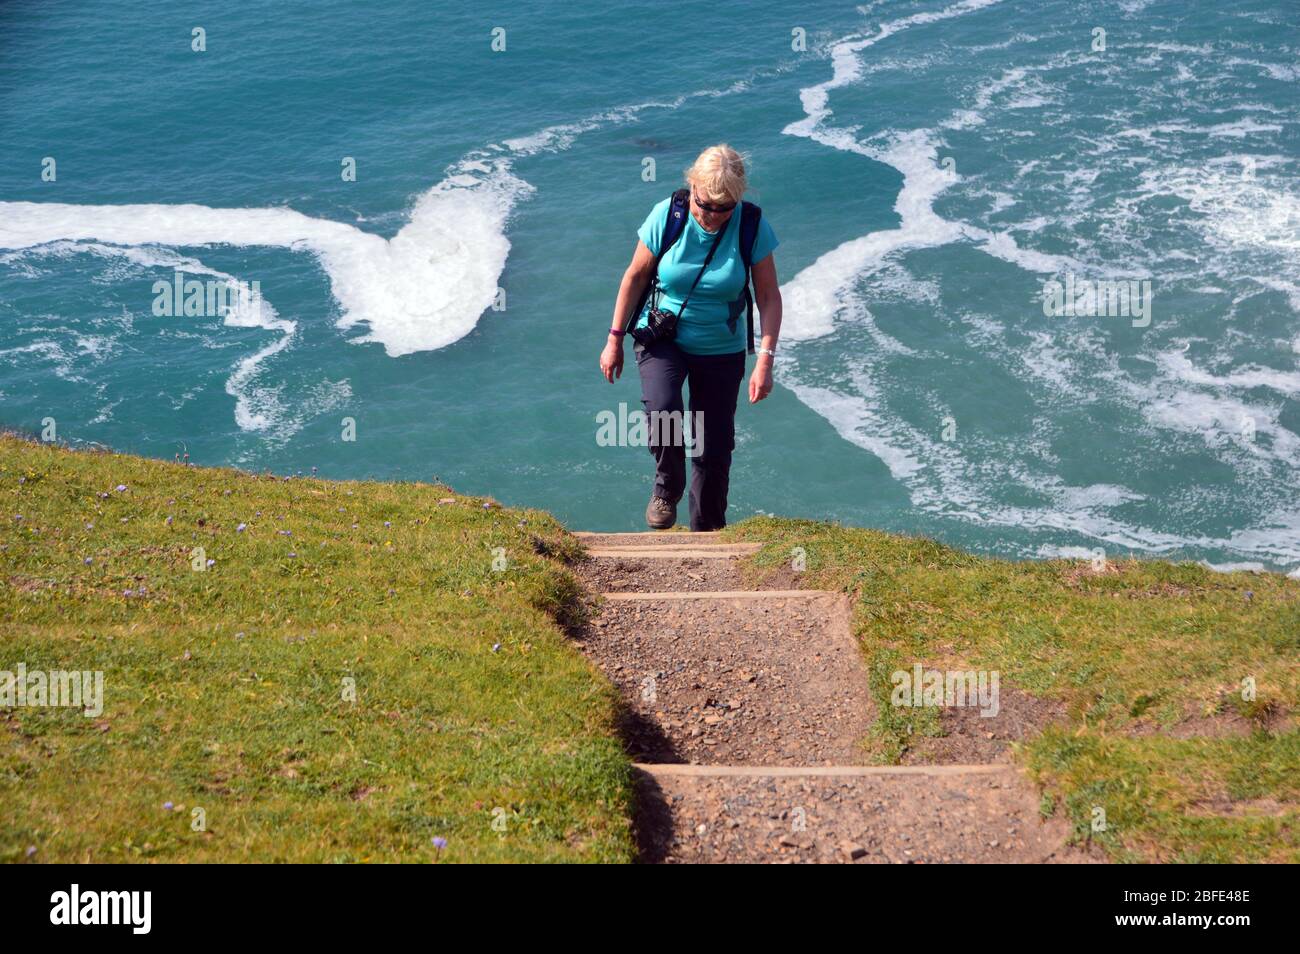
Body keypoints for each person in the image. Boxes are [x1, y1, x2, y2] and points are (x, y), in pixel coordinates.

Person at [599, 144, 782, 531]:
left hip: (722, 347)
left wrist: (764, 359)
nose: (713, 215)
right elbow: (634, 276)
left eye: (724, 207)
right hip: (662, 335)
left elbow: (768, 295)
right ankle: (667, 487)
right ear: (692, 187)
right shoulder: (668, 215)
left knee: (713, 446)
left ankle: (708, 530)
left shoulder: (750, 225)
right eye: (706, 204)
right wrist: (614, 338)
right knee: (663, 409)